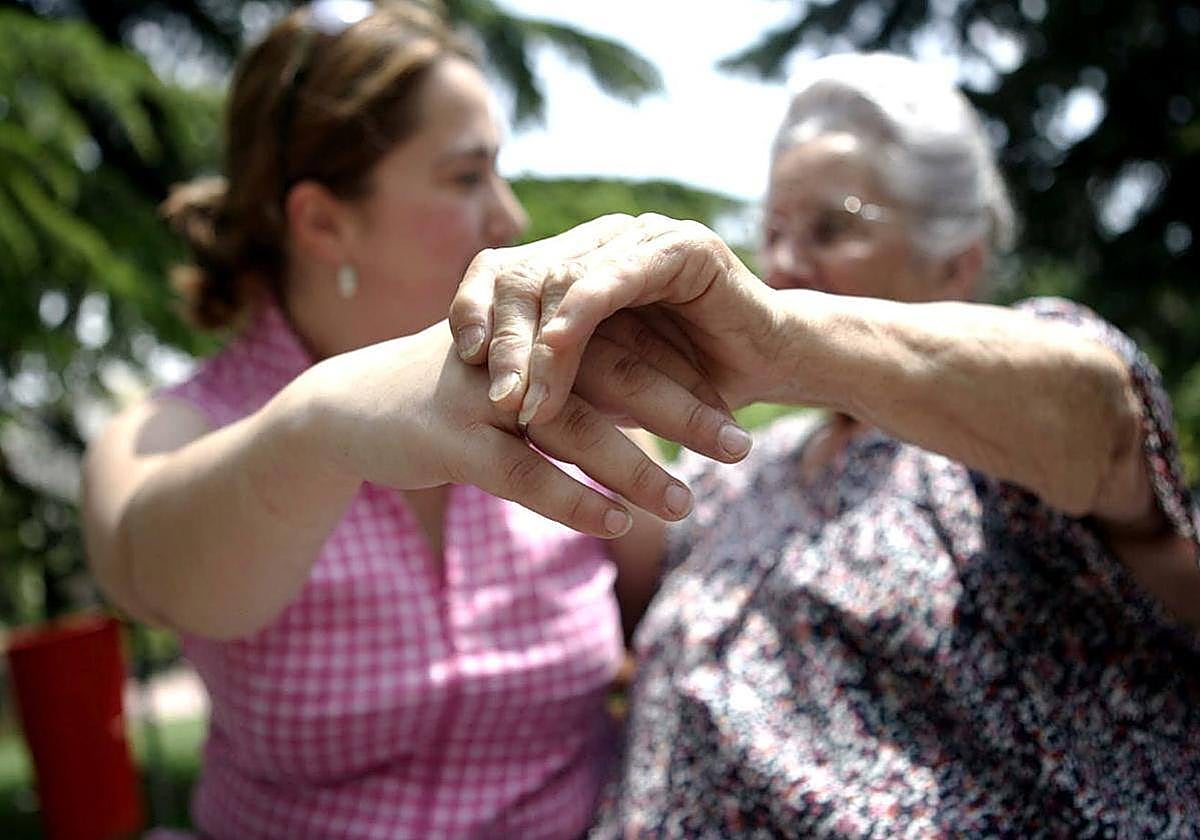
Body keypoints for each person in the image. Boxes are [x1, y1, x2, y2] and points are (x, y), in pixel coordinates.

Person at [450, 52, 1200, 835]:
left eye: (832, 227)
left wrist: (788, 339)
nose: (782, 263)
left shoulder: (996, 440)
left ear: (957, 260)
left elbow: (1101, 415)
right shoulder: (745, 466)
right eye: (772, 231)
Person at [79, 2, 751, 837]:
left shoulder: (562, 394)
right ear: (324, 222)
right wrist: (317, 424)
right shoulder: (184, 427)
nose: (509, 217)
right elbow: (155, 567)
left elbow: (683, 598)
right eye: (467, 176)